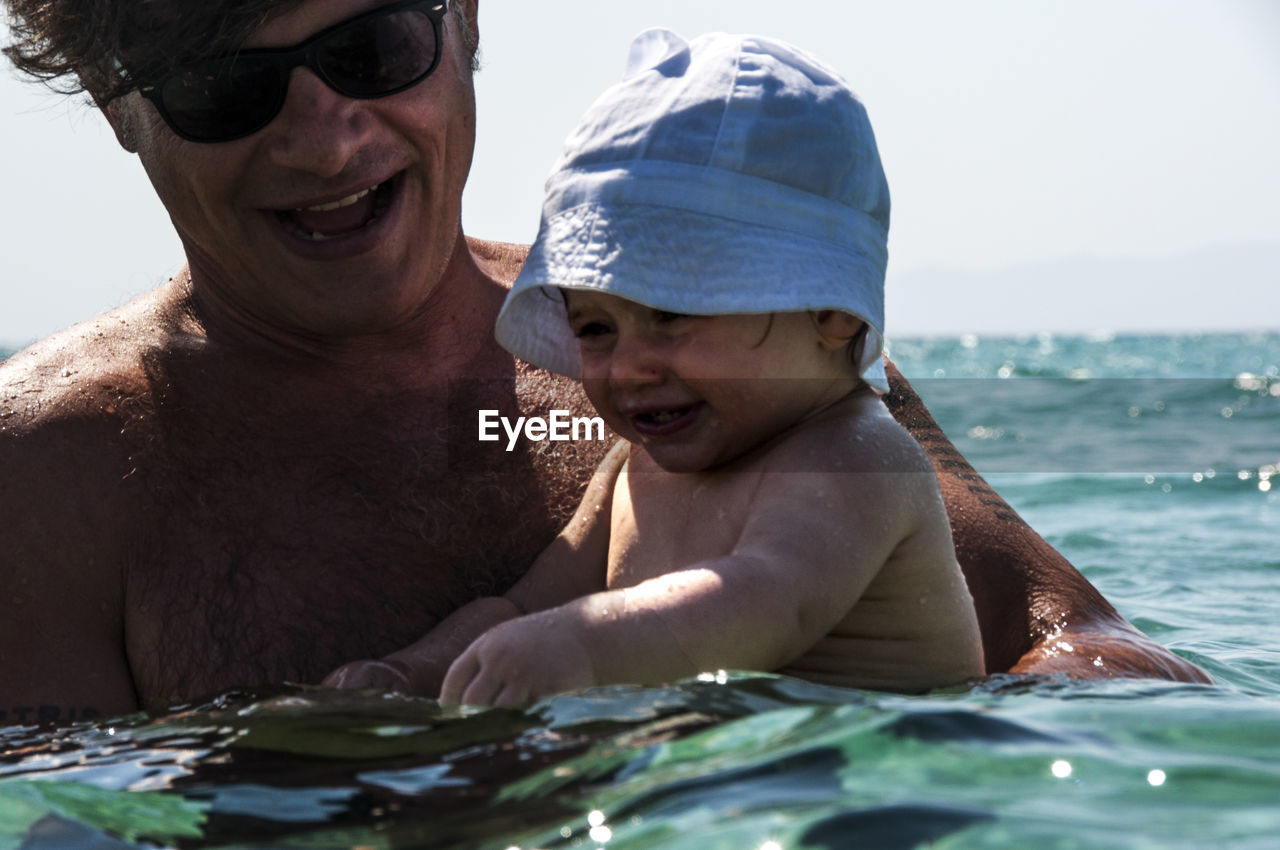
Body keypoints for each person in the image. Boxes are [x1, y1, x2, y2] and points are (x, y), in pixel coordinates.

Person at [0, 0, 1209, 724]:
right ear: (119, 108)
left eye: (373, 48)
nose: (327, 135)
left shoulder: (755, 355)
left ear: (464, 20)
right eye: (229, 86)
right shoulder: (45, 484)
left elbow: (1092, 659)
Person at [331, 30, 985, 706]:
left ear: (831, 313)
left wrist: (581, 644)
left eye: (673, 314)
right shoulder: (632, 468)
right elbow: (523, 608)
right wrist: (412, 672)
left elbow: (767, 602)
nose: (631, 365)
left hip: (878, 781)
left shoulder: (854, 458)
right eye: (595, 328)